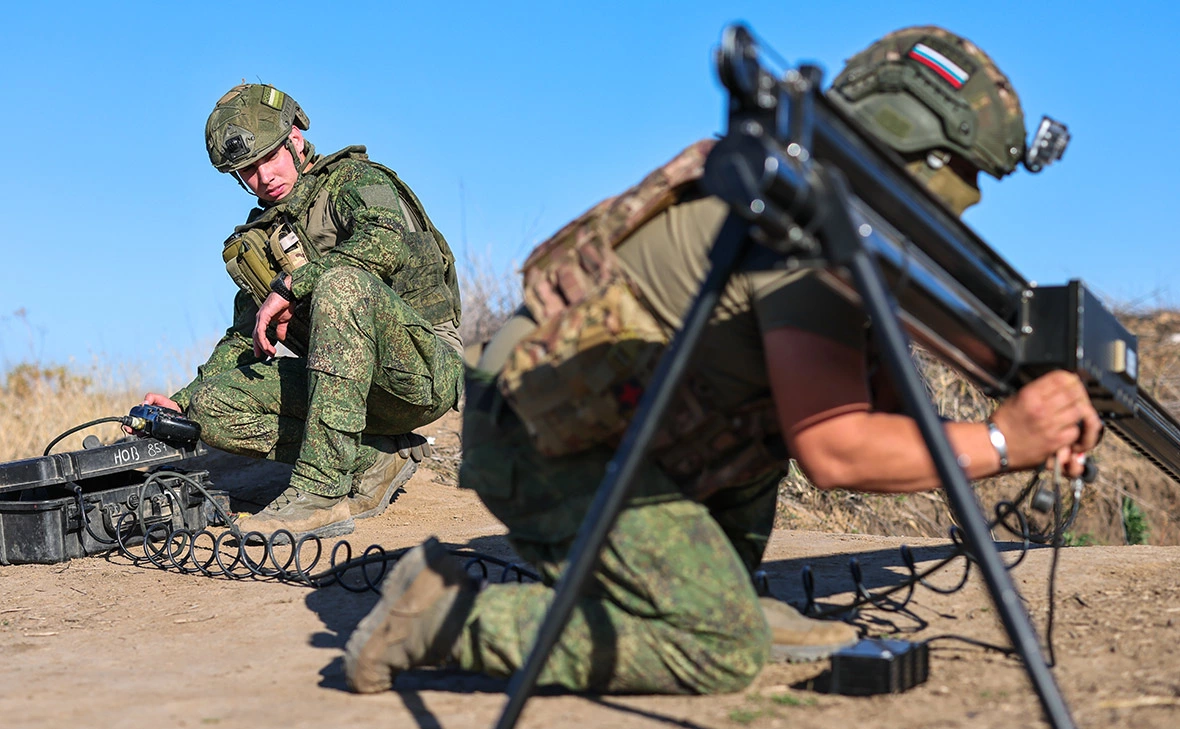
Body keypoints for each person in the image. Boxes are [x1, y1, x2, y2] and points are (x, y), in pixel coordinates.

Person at [343, 27, 1102, 695]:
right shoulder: (796, 232)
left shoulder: (814, 214)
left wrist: (1011, 405)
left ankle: (717, 588)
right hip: (542, 443)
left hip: (600, 423)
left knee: (756, 406)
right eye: (962, 172)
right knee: (718, 647)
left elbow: (878, 412)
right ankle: (439, 617)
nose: (966, 201)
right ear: (911, 144)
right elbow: (836, 448)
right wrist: (1006, 443)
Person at [141, 84, 464, 541]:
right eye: (246, 171)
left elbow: (385, 242)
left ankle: (321, 493)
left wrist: (297, 282)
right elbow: (241, 340)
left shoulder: (354, 181)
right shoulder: (264, 236)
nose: (262, 177)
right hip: (341, 389)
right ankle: (375, 458)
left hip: (420, 372)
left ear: (294, 136)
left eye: (268, 158)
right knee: (212, 406)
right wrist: (184, 400)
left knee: (340, 281)